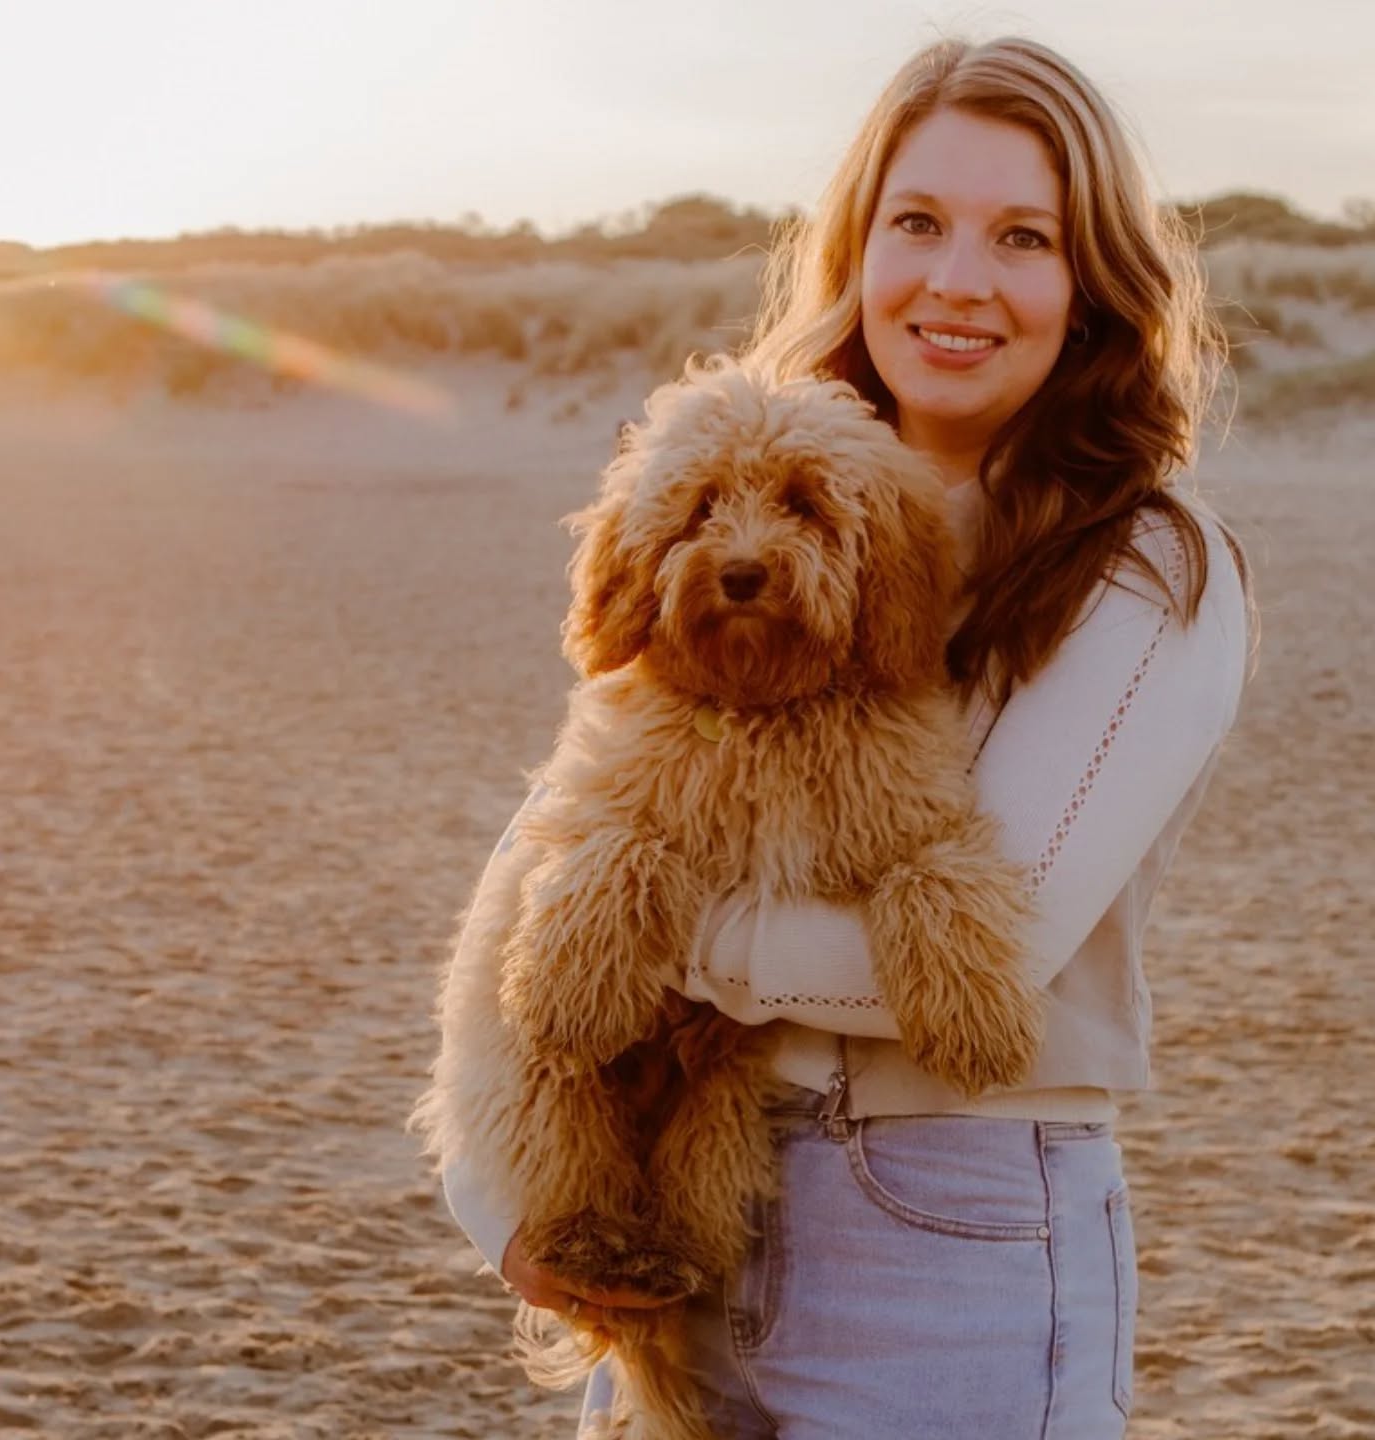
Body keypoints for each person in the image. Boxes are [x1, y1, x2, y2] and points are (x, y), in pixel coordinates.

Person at [431, 33, 1256, 1439]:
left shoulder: (1146, 569)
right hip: (667, 1234)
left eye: (1025, 237)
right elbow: (538, 860)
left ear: (1092, 282)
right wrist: (497, 1206)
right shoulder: (721, 472)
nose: (959, 279)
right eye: (918, 223)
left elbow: (990, 958)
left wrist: (658, 931)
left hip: (949, 1236)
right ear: (856, 248)